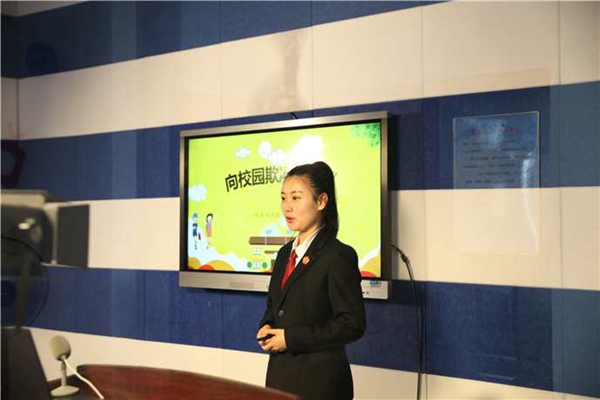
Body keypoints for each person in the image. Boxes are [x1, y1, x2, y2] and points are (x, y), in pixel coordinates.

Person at [257, 161, 366, 400]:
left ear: (321, 201)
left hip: (320, 385)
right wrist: (266, 325)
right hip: (280, 379)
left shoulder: (338, 255)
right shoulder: (284, 254)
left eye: (296, 198)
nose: (287, 207)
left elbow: (352, 323)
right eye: (283, 198)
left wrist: (290, 338)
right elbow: (275, 305)